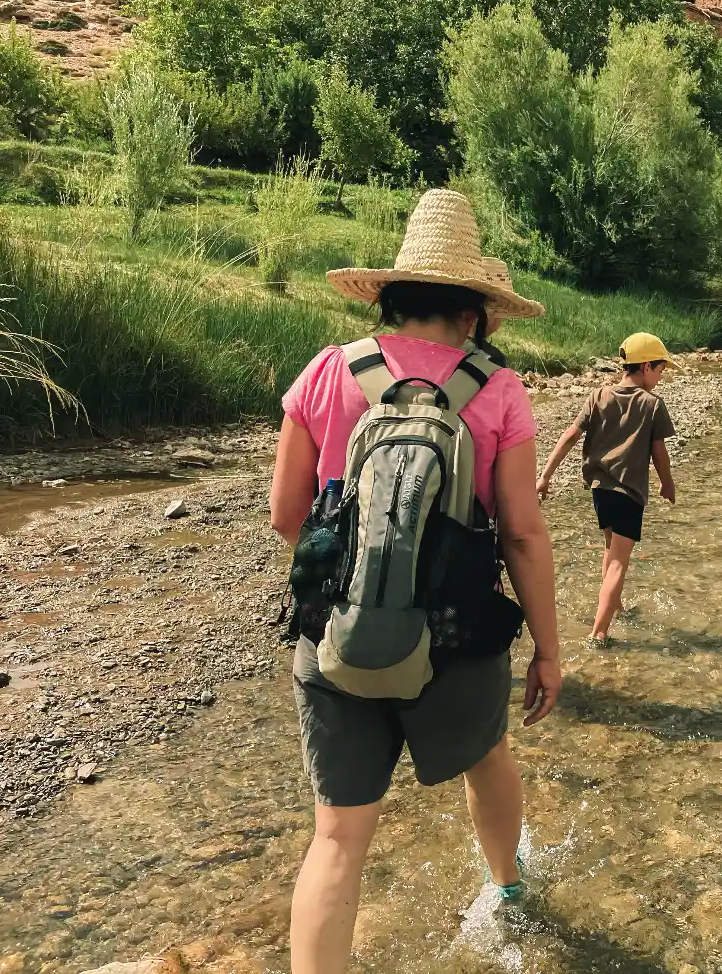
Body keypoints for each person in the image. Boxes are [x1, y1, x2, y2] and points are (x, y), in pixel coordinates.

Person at [269, 189, 562, 974]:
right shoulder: (496, 389)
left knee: (336, 836)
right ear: (475, 310)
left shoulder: (329, 371)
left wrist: (359, 576)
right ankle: (507, 891)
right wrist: (549, 650)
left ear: (391, 295)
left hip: (336, 634)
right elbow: (524, 533)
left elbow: (284, 514)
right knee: (489, 756)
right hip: (456, 640)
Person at [536, 332, 677, 645]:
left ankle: (615, 604)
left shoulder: (599, 395)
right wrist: (667, 484)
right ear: (646, 366)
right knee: (618, 561)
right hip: (629, 494)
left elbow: (569, 436)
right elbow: (659, 453)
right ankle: (599, 633)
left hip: (600, 490)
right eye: (660, 370)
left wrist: (546, 475)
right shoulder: (652, 405)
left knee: (610, 548)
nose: (661, 377)